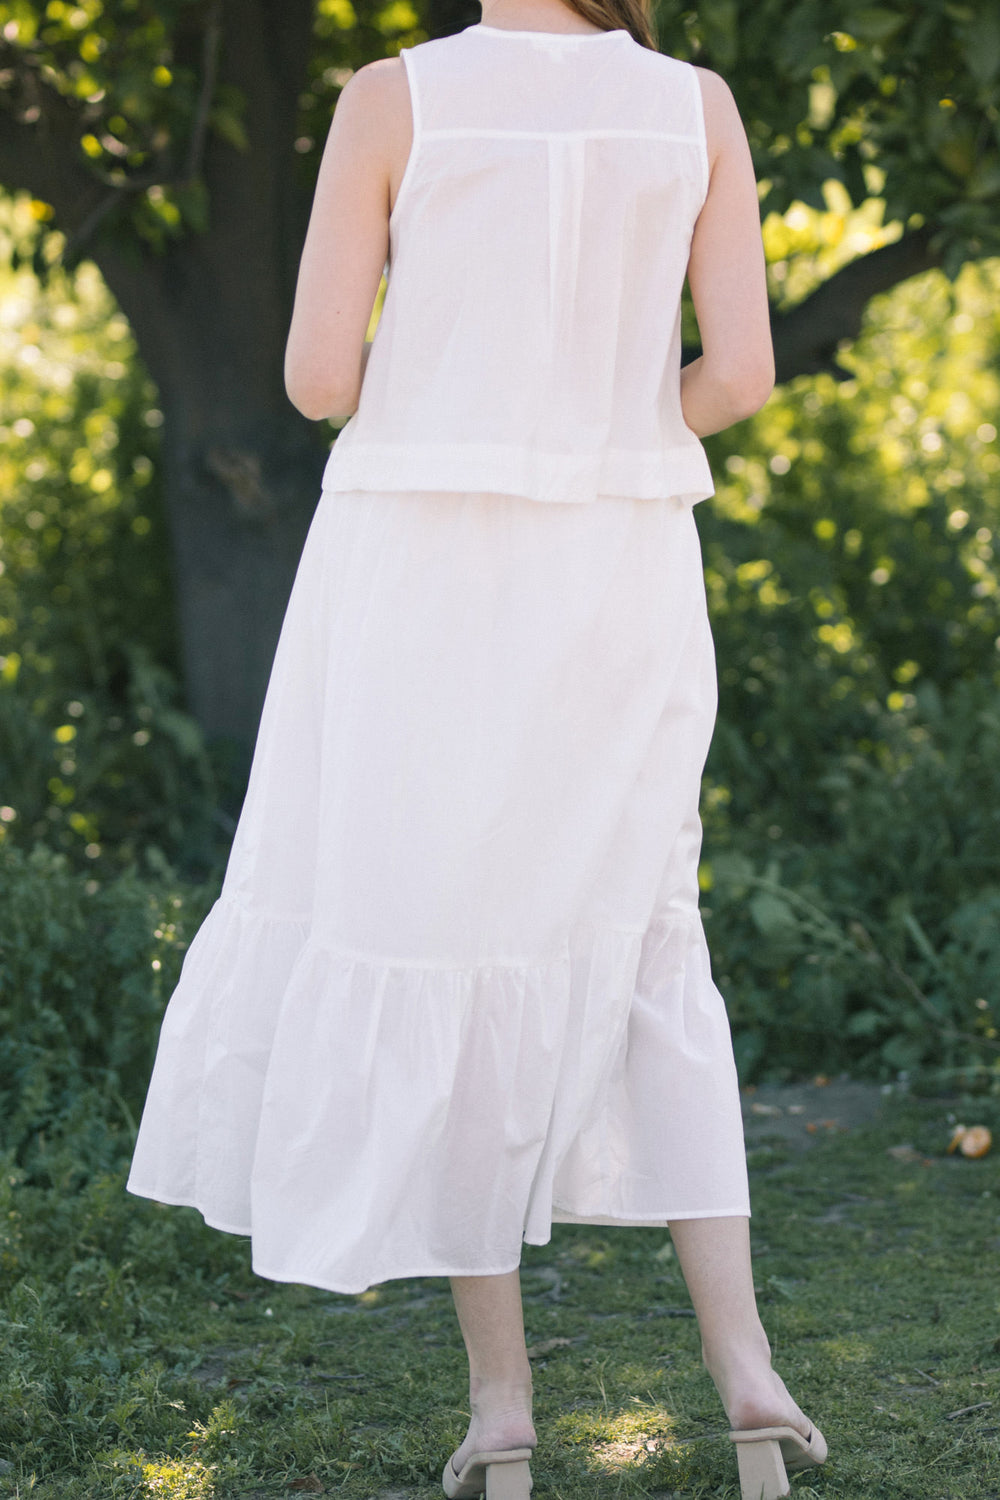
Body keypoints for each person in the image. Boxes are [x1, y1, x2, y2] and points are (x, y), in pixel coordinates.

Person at [127, 1, 827, 1497]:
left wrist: (462, 403)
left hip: (422, 576)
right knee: (647, 933)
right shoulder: (694, 104)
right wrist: (610, 430)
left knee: (443, 930)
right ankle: (747, 1373)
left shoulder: (394, 98)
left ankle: (505, 1406)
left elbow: (320, 380)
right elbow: (741, 378)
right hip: (619, 569)